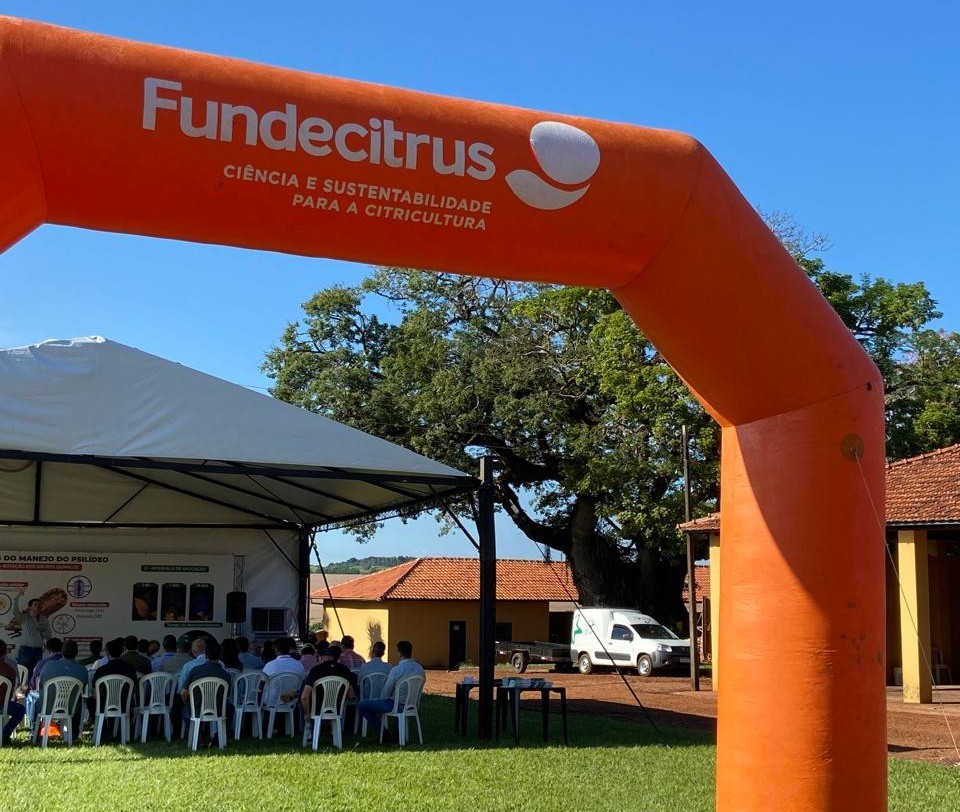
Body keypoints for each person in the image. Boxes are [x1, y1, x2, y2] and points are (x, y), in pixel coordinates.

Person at [357, 640, 425, 737]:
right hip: (412, 704)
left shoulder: (397, 669)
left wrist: (381, 700)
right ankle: (396, 734)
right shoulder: (420, 669)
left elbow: (386, 691)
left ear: (399, 653)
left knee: (362, 705)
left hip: (395, 705)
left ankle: (383, 731)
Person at [179, 637, 233, 734]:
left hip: (196, 707)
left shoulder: (194, 670)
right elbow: (228, 693)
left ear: (206, 655)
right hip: (218, 708)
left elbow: (183, 692)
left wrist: (188, 703)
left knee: (185, 711)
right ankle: (219, 735)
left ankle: (195, 735)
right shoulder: (225, 674)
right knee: (230, 708)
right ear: (220, 655)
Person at [299, 644, 356, 737]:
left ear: (321, 658)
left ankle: (310, 734)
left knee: (303, 698)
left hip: (317, 709)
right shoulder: (345, 670)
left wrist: (307, 714)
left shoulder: (316, 670)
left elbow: (304, 697)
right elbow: (351, 695)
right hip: (337, 708)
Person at [35, 640, 87, 736]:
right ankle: (73, 734)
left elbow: (40, 683)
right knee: (79, 700)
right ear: (76, 653)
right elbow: (83, 689)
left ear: (62, 652)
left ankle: (34, 731)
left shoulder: (48, 666)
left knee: (33, 699)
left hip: (46, 707)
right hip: (70, 707)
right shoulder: (82, 670)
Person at [12, 588, 50, 679]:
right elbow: (15, 612)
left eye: (39, 605)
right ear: (30, 607)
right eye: (35, 604)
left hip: (38, 650)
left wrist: (41, 628)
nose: (38, 606)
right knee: (22, 673)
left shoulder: (44, 619)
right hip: (25, 650)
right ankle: (21, 691)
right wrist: (17, 597)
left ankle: (32, 691)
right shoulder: (24, 618)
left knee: (36, 674)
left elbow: (48, 634)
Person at [0, 638, 26, 745]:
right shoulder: (10, 669)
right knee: (20, 710)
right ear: (5, 653)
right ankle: (5, 734)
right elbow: (11, 693)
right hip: (2, 705)